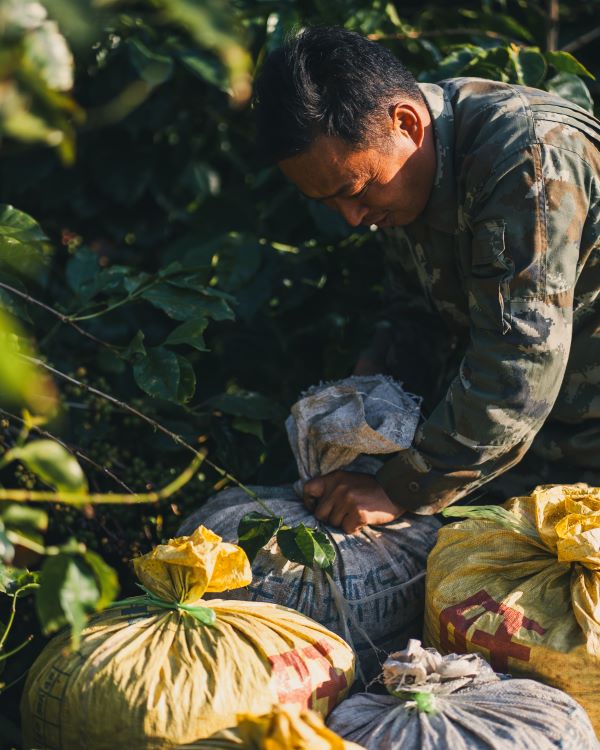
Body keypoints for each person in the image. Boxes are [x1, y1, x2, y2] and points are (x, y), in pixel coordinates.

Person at [253, 26, 600, 533]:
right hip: (523, 451)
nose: (351, 217)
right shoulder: (399, 174)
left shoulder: (527, 158)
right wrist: (364, 401)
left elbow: (521, 360)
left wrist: (400, 487)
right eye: (327, 201)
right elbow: (416, 313)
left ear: (407, 123)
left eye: (356, 190)